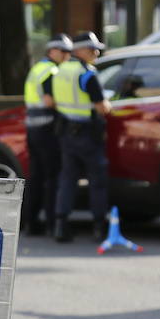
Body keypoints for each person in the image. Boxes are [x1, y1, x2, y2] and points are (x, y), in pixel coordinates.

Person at [50, 31, 111, 242]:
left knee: (67, 179)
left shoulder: (59, 71)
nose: (96, 52)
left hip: (65, 132)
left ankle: (61, 226)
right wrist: (109, 105)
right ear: (80, 51)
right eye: (92, 48)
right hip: (87, 133)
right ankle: (99, 228)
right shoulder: (87, 74)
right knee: (97, 180)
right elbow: (102, 107)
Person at [19, 34, 72, 235]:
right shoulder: (51, 71)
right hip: (47, 129)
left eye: (69, 51)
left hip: (33, 128)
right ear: (52, 51)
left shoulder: (37, 68)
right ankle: (51, 222)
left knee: (36, 176)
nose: (67, 55)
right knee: (52, 176)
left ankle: (30, 222)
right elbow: (50, 101)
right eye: (64, 51)